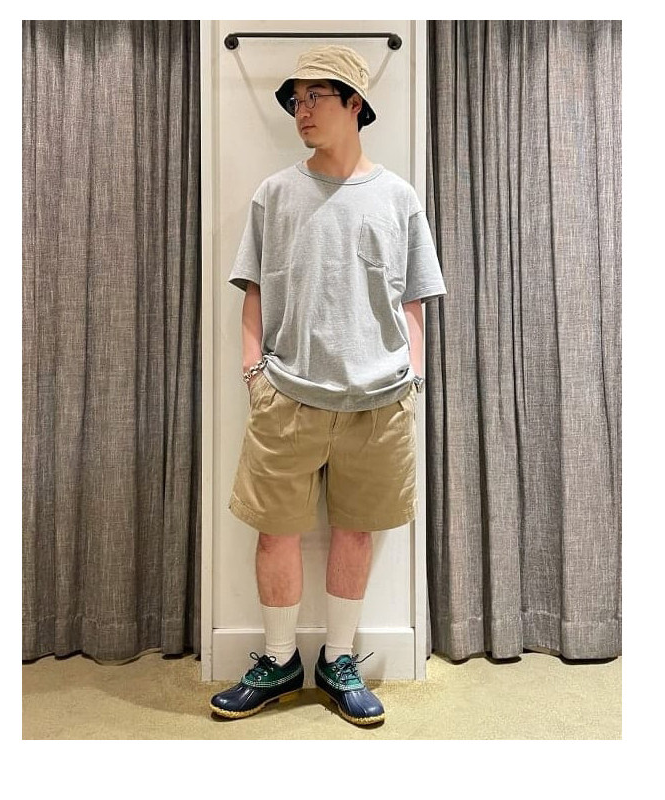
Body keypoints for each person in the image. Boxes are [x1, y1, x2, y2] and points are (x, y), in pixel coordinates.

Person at [210, 45, 447, 726]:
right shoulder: (274, 194)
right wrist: (255, 375)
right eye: (296, 98)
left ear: (355, 105)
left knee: (355, 532)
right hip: (286, 396)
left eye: (317, 96)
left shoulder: (399, 198)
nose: (301, 110)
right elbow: (253, 293)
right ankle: (279, 659)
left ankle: (338, 660)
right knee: (274, 533)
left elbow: (414, 299)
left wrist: (413, 376)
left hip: (379, 402)